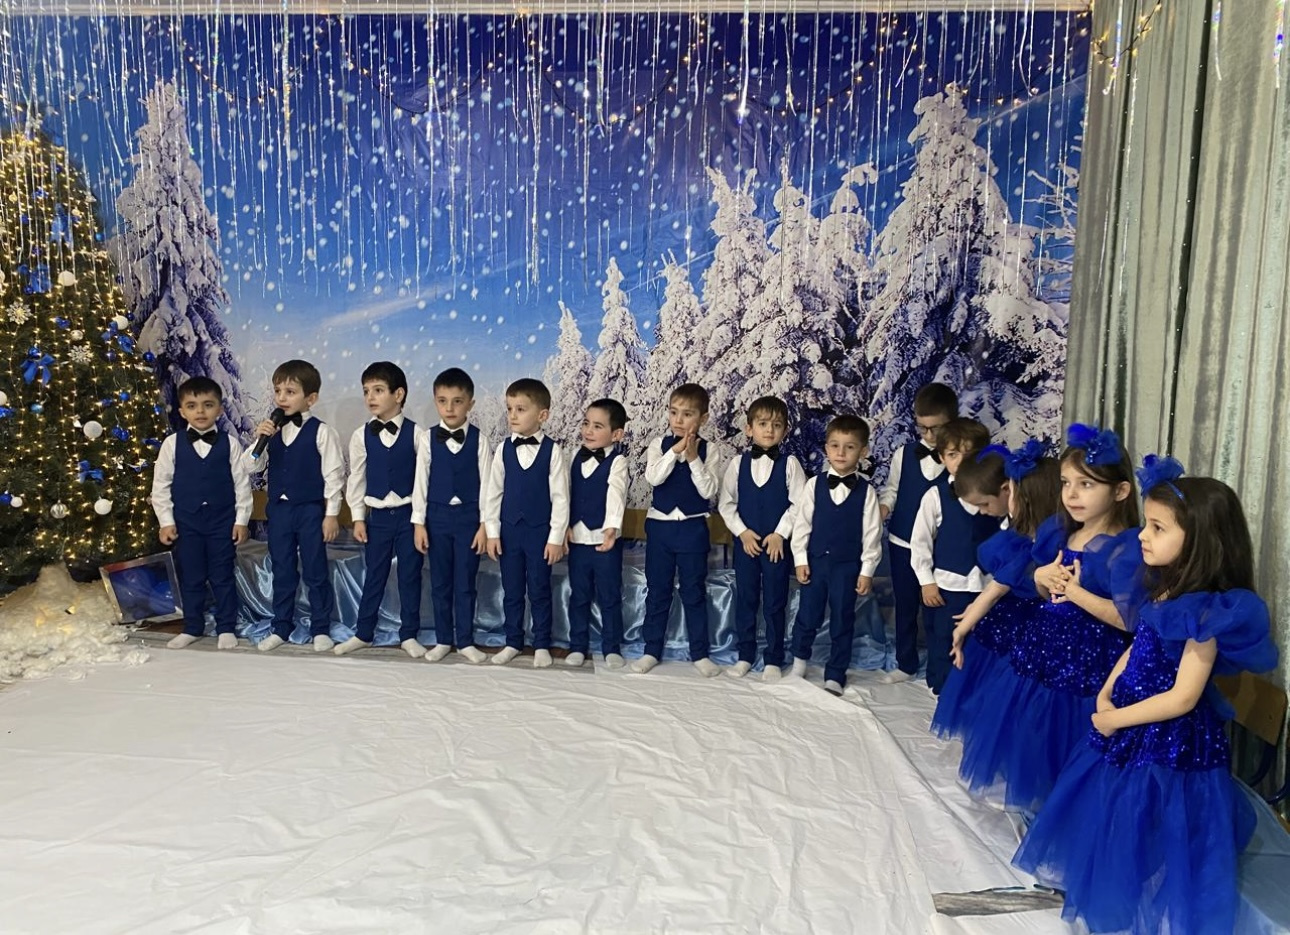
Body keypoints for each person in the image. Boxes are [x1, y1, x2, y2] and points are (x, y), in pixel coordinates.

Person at [1014, 457, 1278, 935]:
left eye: (1157, 528)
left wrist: (1116, 718)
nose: (1142, 535)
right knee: (1116, 812)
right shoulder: (1162, 591)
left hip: (1166, 739)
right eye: (1147, 525)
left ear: (1200, 542)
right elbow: (1138, 645)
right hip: (1129, 719)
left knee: (1148, 817)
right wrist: (1108, 689)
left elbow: (1183, 698)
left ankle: (1144, 905)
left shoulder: (1205, 613)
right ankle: (1116, 896)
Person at [976, 424, 1142, 810]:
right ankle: (1041, 802)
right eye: (1066, 483)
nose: (1071, 494)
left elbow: (1130, 621)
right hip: (1045, 651)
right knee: (1036, 729)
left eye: (1086, 485)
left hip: (1089, 664)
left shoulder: (1125, 549)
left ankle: (1066, 808)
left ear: (1120, 491)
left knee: (1072, 737)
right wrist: (1040, 577)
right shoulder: (1061, 533)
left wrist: (1075, 592)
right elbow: (1047, 591)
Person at [930, 441, 1060, 766]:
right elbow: (1001, 583)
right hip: (1008, 618)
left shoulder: (1049, 539)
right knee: (995, 689)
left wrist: (974, 614)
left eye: (985, 504)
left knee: (1018, 695)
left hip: (1035, 625)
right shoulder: (1020, 534)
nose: (983, 512)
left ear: (1009, 490)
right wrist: (971, 617)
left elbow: (1010, 583)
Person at [244, 359, 346, 652]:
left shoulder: (322, 432)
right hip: (279, 511)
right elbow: (249, 466)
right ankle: (281, 626)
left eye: (290, 392)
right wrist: (260, 439)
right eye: (278, 391)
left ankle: (320, 628)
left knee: (315, 570)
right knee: (282, 569)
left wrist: (331, 515)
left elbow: (334, 476)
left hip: (310, 510)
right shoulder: (272, 431)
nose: (282, 398)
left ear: (310, 398)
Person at [150, 377, 252, 650]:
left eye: (208, 405)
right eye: (192, 406)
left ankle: (226, 627)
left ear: (219, 409)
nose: (200, 411)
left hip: (222, 523)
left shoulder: (230, 444)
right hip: (187, 523)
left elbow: (242, 485)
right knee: (191, 576)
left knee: (222, 576)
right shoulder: (172, 444)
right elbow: (160, 486)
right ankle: (192, 627)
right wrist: (166, 522)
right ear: (182, 411)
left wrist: (241, 520)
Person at [335, 362, 428, 658]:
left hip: (408, 516)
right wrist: (358, 518)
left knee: (409, 576)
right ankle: (363, 633)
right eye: (366, 391)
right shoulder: (360, 435)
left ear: (398, 394)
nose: (370, 397)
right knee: (374, 574)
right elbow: (357, 479)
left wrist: (419, 520)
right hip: (377, 519)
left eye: (378, 390)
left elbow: (424, 481)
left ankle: (408, 634)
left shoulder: (417, 434)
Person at [787, 415, 882, 696]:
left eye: (849, 447)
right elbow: (802, 525)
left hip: (847, 566)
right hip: (816, 563)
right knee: (808, 614)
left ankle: (836, 673)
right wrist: (801, 560)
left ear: (863, 451)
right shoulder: (813, 485)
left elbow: (872, 534)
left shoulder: (867, 492)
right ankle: (799, 663)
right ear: (826, 448)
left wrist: (866, 571)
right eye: (835, 445)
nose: (841, 453)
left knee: (842, 618)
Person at [903, 418, 999, 695]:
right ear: (942, 457)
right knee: (943, 637)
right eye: (953, 454)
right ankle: (942, 690)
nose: (961, 461)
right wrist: (926, 581)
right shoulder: (936, 496)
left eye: (970, 454)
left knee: (982, 639)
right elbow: (920, 542)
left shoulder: (998, 495)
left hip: (988, 587)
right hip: (947, 587)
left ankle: (975, 692)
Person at [634, 383, 723, 676]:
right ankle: (651, 650)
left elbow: (708, 490)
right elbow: (654, 478)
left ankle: (700, 653)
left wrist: (694, 457)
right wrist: (674, 452)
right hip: (660, 529)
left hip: (693, 529)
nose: (679, 420)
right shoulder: (658, 445)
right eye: (674, 412)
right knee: (658, 591)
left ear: (703, 418)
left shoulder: (710, 450)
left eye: (687, 414)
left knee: (693, 592)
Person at [481, 378, 569, 667]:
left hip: (539, 534)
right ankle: (513, 641)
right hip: (509, 533)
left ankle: (541, 643)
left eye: (520, 409)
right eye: (509, 409)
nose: (513, 415)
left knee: (540, 589)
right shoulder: (503, 449)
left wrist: (555, 538)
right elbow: (493, 494)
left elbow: (561, 498)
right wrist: (492, 533)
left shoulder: (553, 452)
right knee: (512, 590)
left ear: (542, 415)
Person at [717, 396, 806, 680]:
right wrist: (742, 532)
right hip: (747, 546)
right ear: (749, 428)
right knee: (746, 599)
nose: (769, 430)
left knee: (775, 602)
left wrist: (780, 534)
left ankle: (773, 659)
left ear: (785, 430)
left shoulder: (790, 464)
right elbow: (726, 503)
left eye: (776, 425)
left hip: (776, 548)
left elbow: (800, 504)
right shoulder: (737, 464)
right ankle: (745, 655)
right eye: (763, 424)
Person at [413, 368, 492, 664]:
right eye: (442, 401)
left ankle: (466, 640)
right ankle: (444, 639)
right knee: (440, 582)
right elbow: (420, 483)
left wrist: (485, 525)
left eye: (457, 401)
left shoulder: (480, 441)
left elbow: (488, 486)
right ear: (435, 401)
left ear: (470, 403)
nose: (449, 408)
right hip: (437, 518)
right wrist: (419, 523)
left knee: (465, 583)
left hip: (469, 519)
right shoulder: (428, 438)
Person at [879, 383, 957, 682]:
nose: (929, 435)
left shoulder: (960, 458)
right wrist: (884, 507)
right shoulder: (904, 454)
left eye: (936, 428)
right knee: (906, 607)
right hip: (902, 542)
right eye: (922, 428)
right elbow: (892, 490)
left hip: (942, 548)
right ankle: (906, 663)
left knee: (939, 612)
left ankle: (940, 671)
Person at [565, 399, 629, 668]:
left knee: (609, 596)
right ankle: (577, 645)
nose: (588, 430)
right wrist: (563, 526)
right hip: (577, 539)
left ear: (616, 434)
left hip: (605, 542)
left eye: (598, 426)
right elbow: (564, 494)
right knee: (579, 595)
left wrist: (611, 527)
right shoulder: (572, 456)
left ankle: (611, 647)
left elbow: (617, 493)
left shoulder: (618, 461)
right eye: (586, 423)